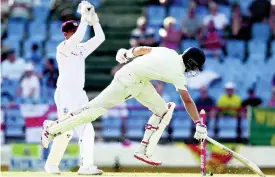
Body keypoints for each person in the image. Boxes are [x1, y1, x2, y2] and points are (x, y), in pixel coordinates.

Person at [41, 46, 207, 166]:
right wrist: (198, 123)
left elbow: (143, 49)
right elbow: (187, 101)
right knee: (92, 111)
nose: (195, 70)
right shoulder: (177, 74)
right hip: (128, 80)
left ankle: (143, 151)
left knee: (163, 110)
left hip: (138, 79)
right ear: (191, 62)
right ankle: (52, 129)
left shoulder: (169, 52)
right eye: (196, 66)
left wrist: (127, 54)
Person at [43, 1, 105, 175]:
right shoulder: (62, 48)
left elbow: (100, 39)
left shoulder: (80, 49)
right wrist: (84, 19)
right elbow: (79, 36)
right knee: (71, 131)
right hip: (65, 93)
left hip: (79, 94)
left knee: (77, 131)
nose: (77, 33)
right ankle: (67, 164)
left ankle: (72, 165)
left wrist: (95, 21)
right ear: (66, 34)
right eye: (73, 31)